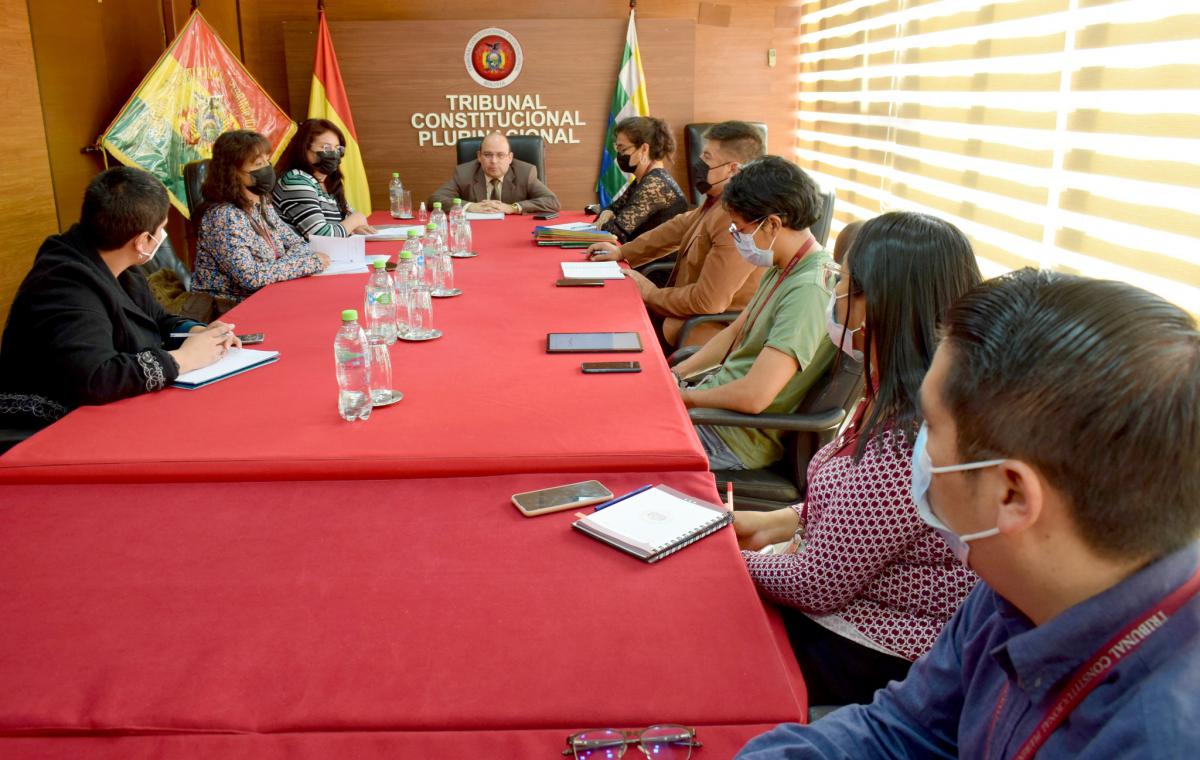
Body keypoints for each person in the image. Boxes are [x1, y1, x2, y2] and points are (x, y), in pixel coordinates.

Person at [737, 269, 1200, 758]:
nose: (916, 448)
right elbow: (904, 728)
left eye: (931, 426)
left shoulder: (1159, 736)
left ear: (1012, 495)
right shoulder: (1009, 588)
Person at [732, 211, 984, 705]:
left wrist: (725, 560)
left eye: (842, 282)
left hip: (875, 648)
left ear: (878, 304)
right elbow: (857, 515)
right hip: (845, 609)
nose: (834, 294)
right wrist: (774, 522)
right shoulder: (895, 395)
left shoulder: (913, 436)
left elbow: (814, 584)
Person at [0, 167, 238, 434]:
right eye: (161, 229)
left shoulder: (116, 263)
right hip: (50, 425)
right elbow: (97, 377)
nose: (162, 237)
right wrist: (183, 359)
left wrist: (199, 333)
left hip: (109, 408)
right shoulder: (63, 286)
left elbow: (156, 319)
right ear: (143, 241)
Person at [671, 156, 834, 471]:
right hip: (711, 413)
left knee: (621, 445)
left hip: (731, 436)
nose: (737, 237)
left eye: (740, 228)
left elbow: (755, 396)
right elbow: (735, 332)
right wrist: (677, 376)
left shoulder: (809, 290)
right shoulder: (783, 266)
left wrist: (684, 398)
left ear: (772, 224)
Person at [587, 121, 768, 349]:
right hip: (685, 313)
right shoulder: (717, 202)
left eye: (707, 157)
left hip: (711, 329)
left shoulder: (737, 218)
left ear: (732, 169)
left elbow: (708, 301)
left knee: (614, 326)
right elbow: (676, 228)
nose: (699, 163)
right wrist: (622, 252)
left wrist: (651, 294)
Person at [192, 130, 330, 304]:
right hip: (229, 306)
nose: (267, 168)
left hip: (270, 294)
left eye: (267, 160)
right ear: (233, 173)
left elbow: (298, 244)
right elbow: (250, 277)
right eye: (258, 163)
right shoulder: (223, 216)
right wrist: (307, 264)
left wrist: (278, 267)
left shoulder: (261, 203)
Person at [272, 118, 375, 239]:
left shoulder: (329, 181)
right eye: (326, 147)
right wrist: (355, 220)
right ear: (304, 148)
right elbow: (321, 236)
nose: (334, 154)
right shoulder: (295, 180)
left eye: (337, 148)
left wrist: (352, 226)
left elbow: (347, 219)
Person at [593, 116, 687, 243]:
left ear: (644, 149)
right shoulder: (644, 178)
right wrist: (607, 213)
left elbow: (614, 232)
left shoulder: (656, 185)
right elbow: (612, 209)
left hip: (655, 254)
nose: (619, 155)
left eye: (623, 149)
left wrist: (606, 218)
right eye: (617, 149)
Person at [428, 132, 560, 215]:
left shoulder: (525, 172)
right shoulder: (464, 173)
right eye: (487, 155)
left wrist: (513, 208)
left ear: (510, 158)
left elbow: (552, 202)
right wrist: (469, 206)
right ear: (479, 156)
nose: (494, 161)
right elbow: (435, 199)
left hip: (513, 232)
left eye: (500, 155)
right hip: (477, 231)